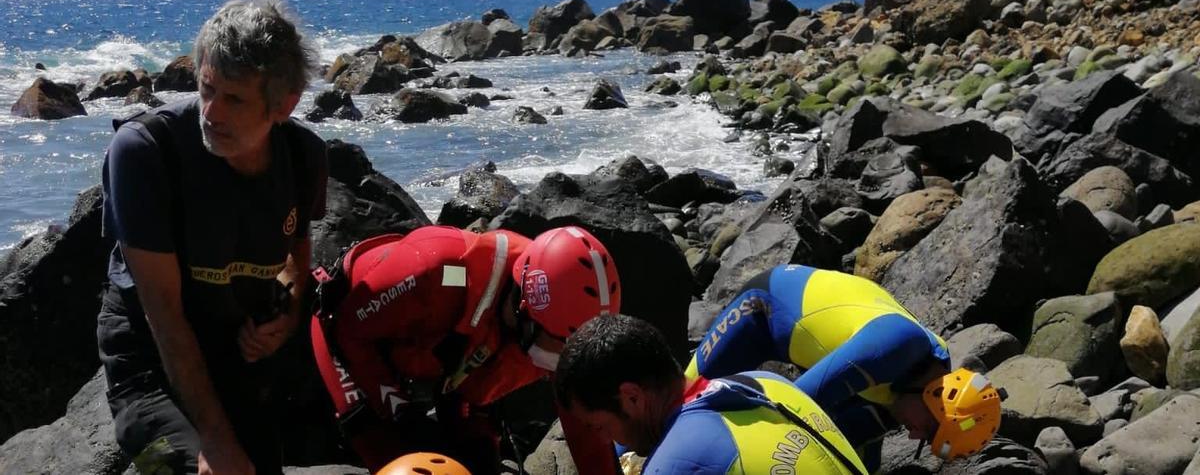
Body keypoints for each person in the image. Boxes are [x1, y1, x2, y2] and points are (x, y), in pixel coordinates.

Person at [96, 0, 328, 475]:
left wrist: (284, 313)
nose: (211, 113)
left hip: (231, 352)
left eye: (234, 99)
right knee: (192, 467)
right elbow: (164, 317)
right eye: (206, 90)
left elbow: (295, 261)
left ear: (284, 104)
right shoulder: (145, 151)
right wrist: (215, 443)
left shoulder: (303, 156)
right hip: (151, 363)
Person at [310, 224, 622, 474]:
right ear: (524, 311)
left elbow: (590, 443)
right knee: (397, 453)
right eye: (561, 349)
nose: (565, 362)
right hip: (346, 330)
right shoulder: (435, 272)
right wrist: (399, 411)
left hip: (450, 372)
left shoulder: (555, 316)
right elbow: (347, 330)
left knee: (480, 460)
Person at [686, 264, 1002, 469]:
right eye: (928, 430)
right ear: (937, 397)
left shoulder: (916, 385)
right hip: (764, 308)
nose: (912, 435)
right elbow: (785, 410)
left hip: (829, 353)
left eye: (924, 439)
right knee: (679, 402)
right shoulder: (896, 346)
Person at [555, 313, 873, 475]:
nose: (606, 439)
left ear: (632, 397)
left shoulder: (676, 463)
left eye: (600, 426)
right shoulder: (766, 383)